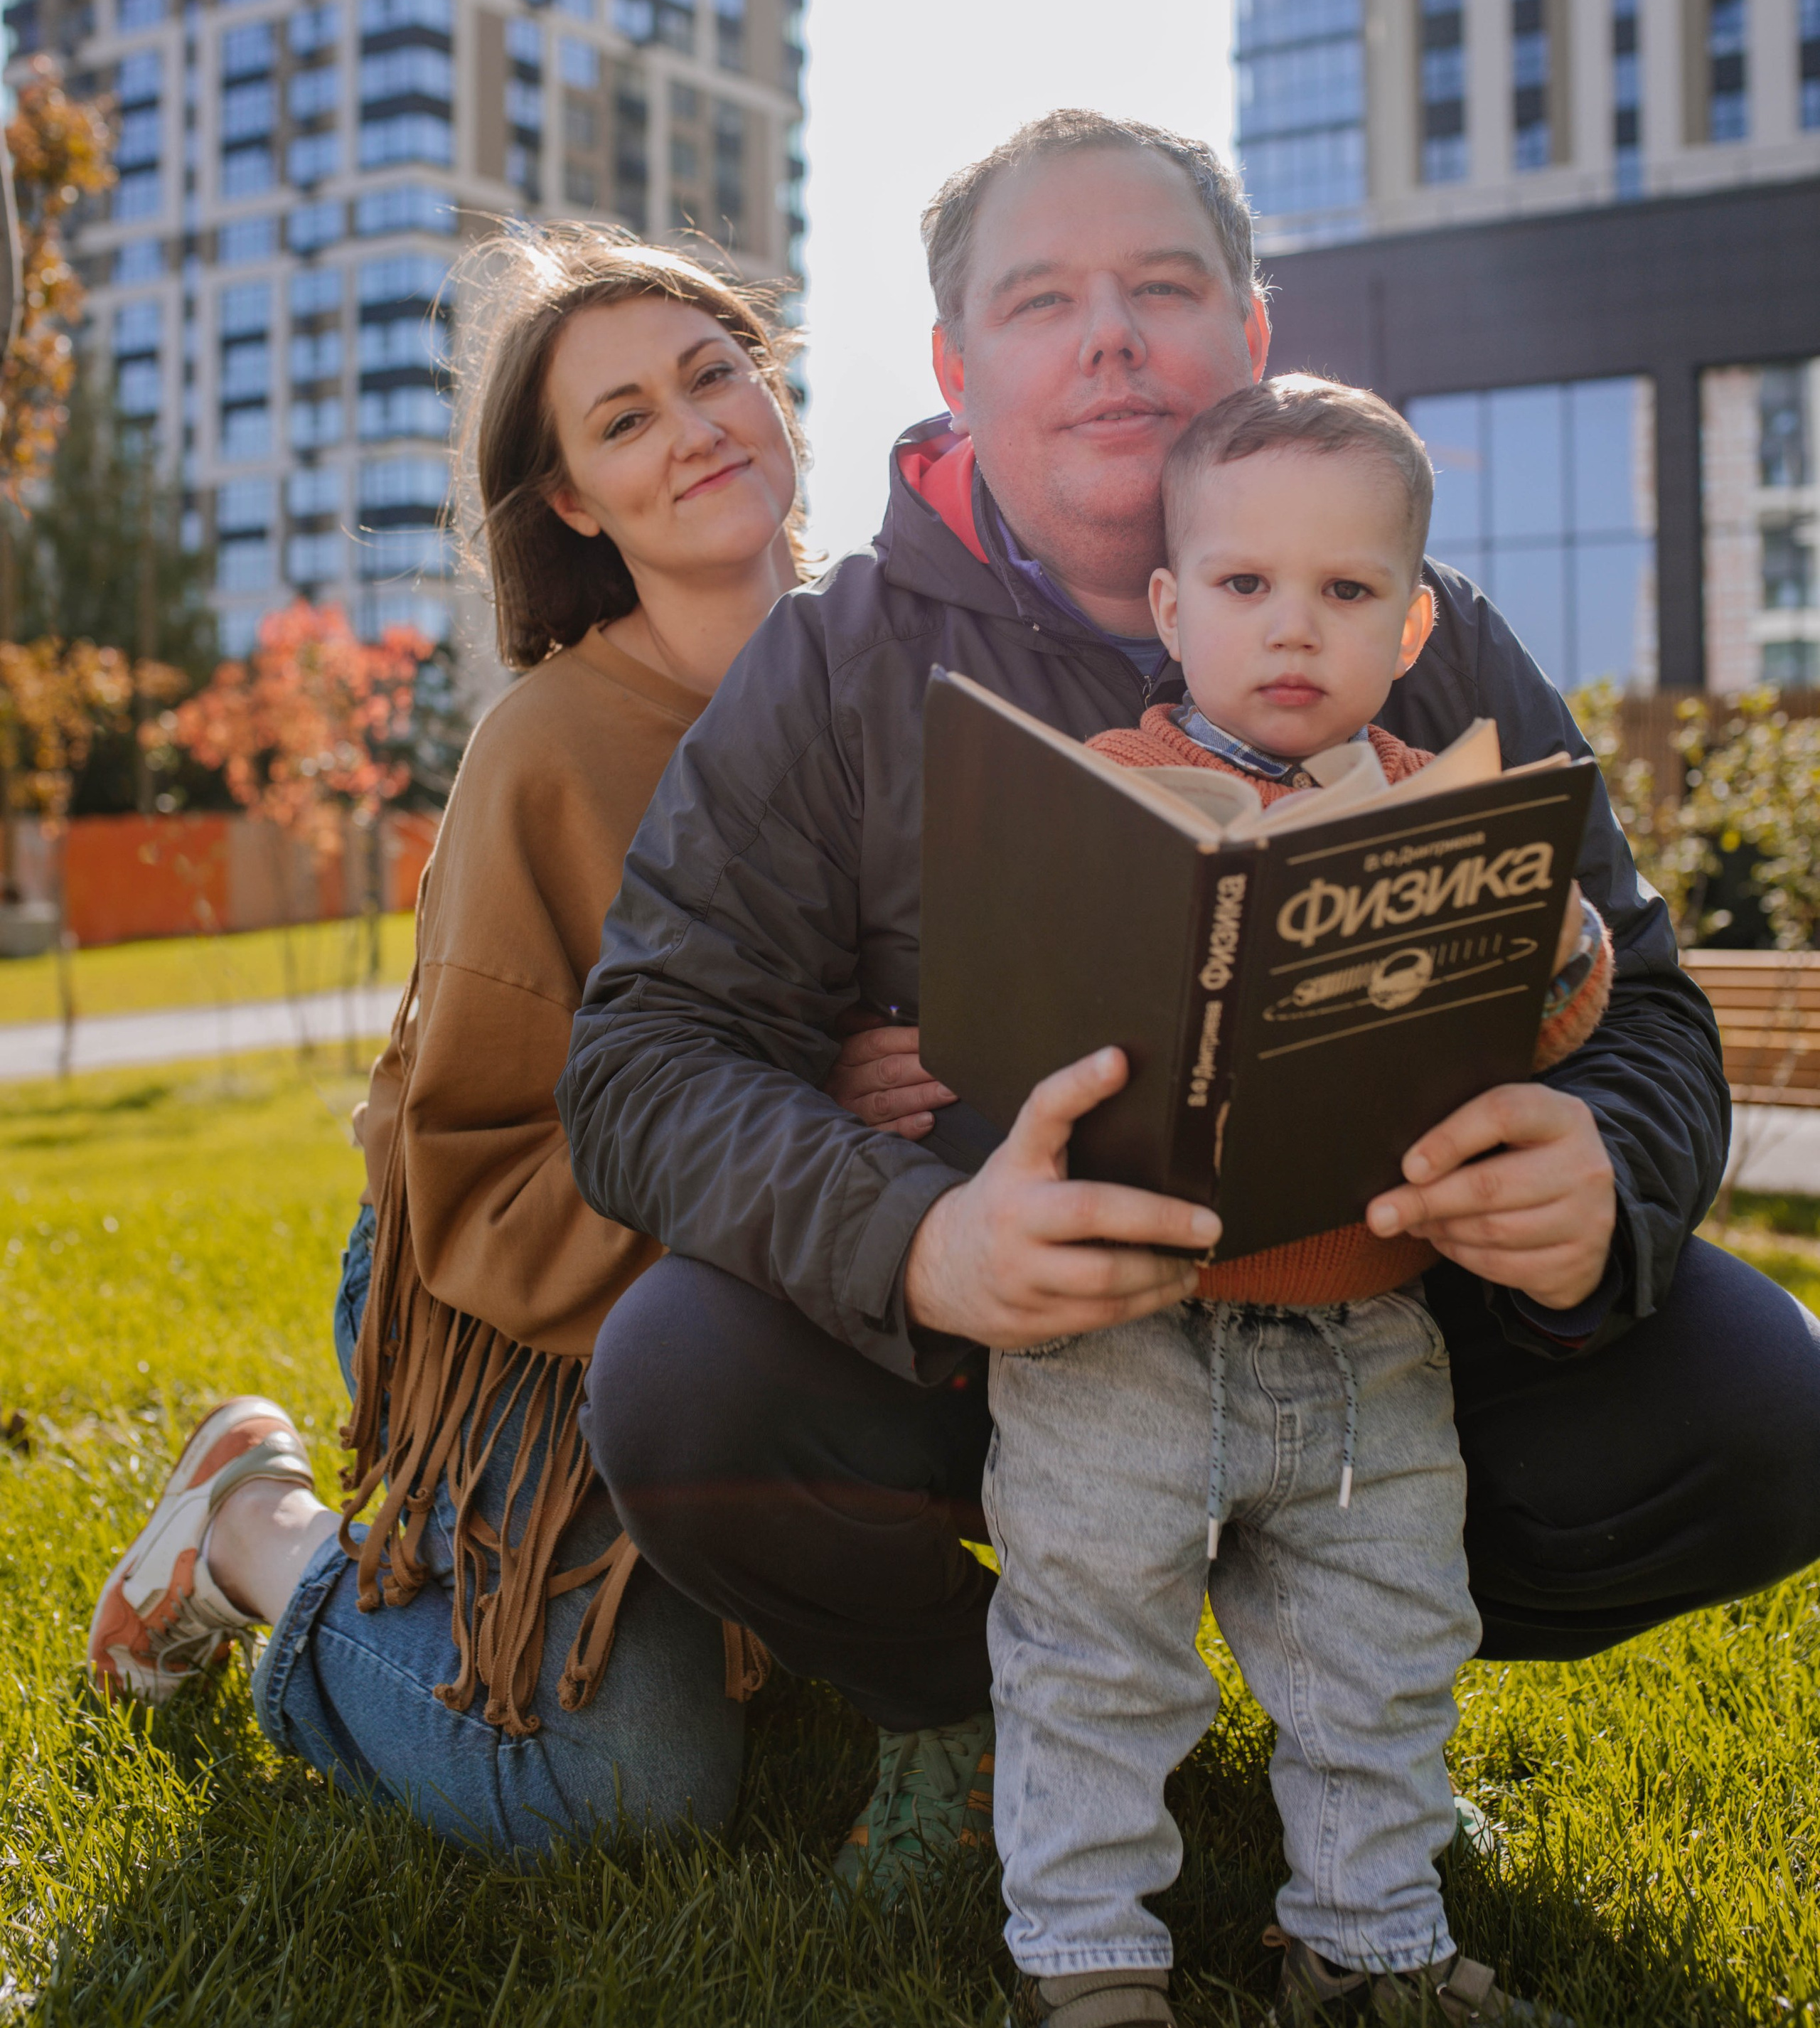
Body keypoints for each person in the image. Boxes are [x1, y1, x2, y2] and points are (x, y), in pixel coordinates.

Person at [558, 111, 1819, 1915]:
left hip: (1383, 1324)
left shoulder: (1425, 632)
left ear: (1250, 328)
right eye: (1040, 301)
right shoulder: (833, 666)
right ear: (953, 367)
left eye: (1161, 287)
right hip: (1010, 1352)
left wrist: (1600, 1170)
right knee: (683, 1385)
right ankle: (962, 1708)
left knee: (1761, 1408)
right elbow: (639, 1064)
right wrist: (920, 1242)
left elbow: (1648, 1009)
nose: (1109, 340)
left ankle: (1356, 1694)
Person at [86, 229, 904, 1860]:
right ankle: (255, 1535)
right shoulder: (549, 748)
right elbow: (473, 1163)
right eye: (623, 421)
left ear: (773, 394)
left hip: (784, 1273)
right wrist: (799, 1123)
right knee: (624, 1792)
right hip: (506, 1287)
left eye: (714, 374)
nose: (693, 430)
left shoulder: (896, 674)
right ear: (575, 504)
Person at [983, 374, 1612, 2028]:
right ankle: (1087, 1961)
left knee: (1381, 1654)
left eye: (1344, 592)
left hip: (1364, 1334)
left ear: (1408, 629)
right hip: (1123, 1333)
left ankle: (1368, 1940)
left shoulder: (1441, 800)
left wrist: (1548, 940)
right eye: (1244, 584)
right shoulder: (1111, 787)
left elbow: (1561, 1020)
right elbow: (1008, 1009)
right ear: (1169, 605)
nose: (1290, 627)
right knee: (1092, 1650)